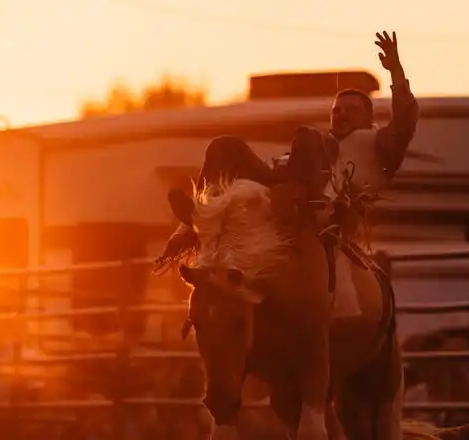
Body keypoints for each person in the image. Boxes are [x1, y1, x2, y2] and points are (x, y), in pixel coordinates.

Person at [155, 31, 420, 268]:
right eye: (336, 111)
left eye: (351, 111)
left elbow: (404, 123)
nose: (340, 115)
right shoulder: (318, 142)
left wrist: (396, 71)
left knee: (311, 136)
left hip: (324, 206)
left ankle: (307, 206)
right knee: (224, 146)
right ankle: (199, 217)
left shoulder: (377, 144)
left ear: (368, 118)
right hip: (280, 190)